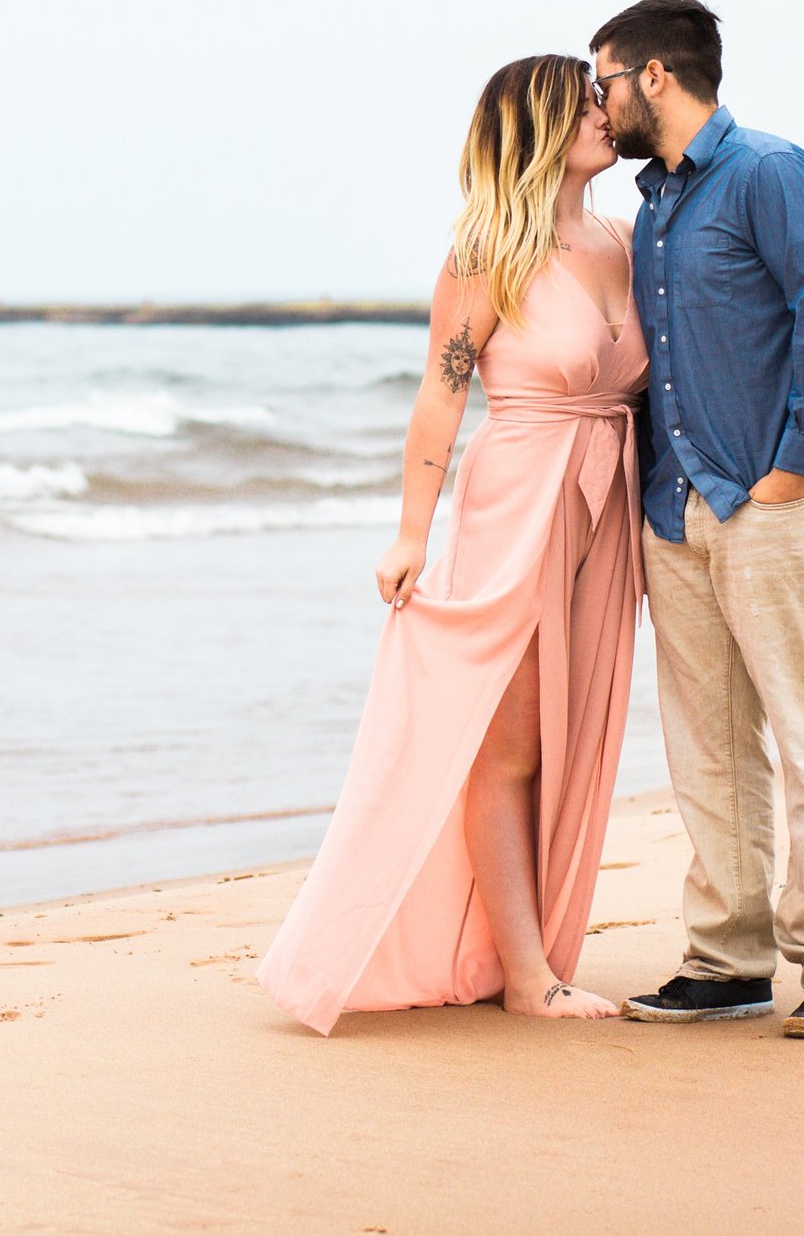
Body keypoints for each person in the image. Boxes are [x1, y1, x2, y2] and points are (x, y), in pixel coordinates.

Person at [259, 54, 648, 1034]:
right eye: (587, 104)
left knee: (573, 739)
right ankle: (526, 972)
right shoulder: (485, 256)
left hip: (607, 509)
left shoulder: (624, 238)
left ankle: (519, 946)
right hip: (515, 505)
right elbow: (440, 395)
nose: (608, 116)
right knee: (506, 744)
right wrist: (407, 535)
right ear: (540, 126)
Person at [591, 0, 804, 1040]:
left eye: (604, 80)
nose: (599, 100)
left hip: (772, 501)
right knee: (706, 748)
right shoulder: (654, 206)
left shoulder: (767, 170)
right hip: (675, 512)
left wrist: (793, 466)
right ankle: (729, 959)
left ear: (654, 78)